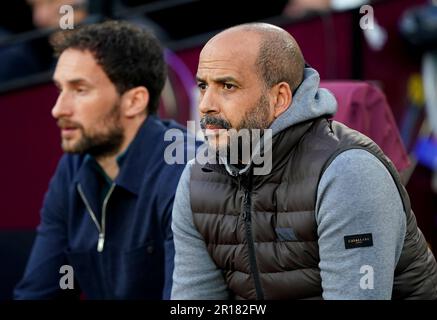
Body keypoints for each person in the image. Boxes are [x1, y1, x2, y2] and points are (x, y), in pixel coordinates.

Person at [171, 22, 437, 300]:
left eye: (228, 86)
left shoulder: (348, 173)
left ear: (279, 98)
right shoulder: (197, 177)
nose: (205, 105)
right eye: (203, 86)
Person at [14, 20, 193, 299]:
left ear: (134, 101)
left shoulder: (185, 169)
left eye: (80, 90)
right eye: (61, 89)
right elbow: (39, 292)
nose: (58, 109)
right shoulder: (73, 167)